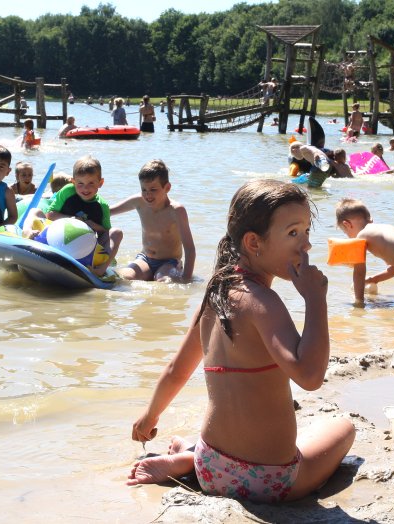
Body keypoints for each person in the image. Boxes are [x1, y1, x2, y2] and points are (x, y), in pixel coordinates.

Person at [128, 179, 355, 503]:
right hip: (271, 481)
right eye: (293, 233)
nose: (305, 245)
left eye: (306, 232)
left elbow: (176, 370)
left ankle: (187, 457)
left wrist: (149, 418)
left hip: (211, 468)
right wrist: (316, 300)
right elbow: (310, 377)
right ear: (253, 242)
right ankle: (184, 456)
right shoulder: (263, 302)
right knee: (343, 427)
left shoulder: (216, 294)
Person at [27, 156, 123, 276]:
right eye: (80, 183)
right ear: (73, 182)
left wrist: (93, 225)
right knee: (35, 211)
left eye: (91, 183)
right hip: (53, 238)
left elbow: (105, 231)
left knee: (116, 232)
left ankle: (101, 269)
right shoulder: (67, 191)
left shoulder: (102, 205)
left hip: (85, 249)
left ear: (100, 183)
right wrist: (70, 220)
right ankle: (28, 234)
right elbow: (49, 215)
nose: (85, 188)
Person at [110, 160, 195, 282]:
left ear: (167, 188)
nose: (147, 194)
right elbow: (108, 211)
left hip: (169, 262)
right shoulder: (139, 201)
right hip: (145, 259)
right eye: (144, 189)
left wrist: (187, 278)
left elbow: (189, 248)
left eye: (153, 189)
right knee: (122, 278)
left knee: (164, 281)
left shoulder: (176, 211)